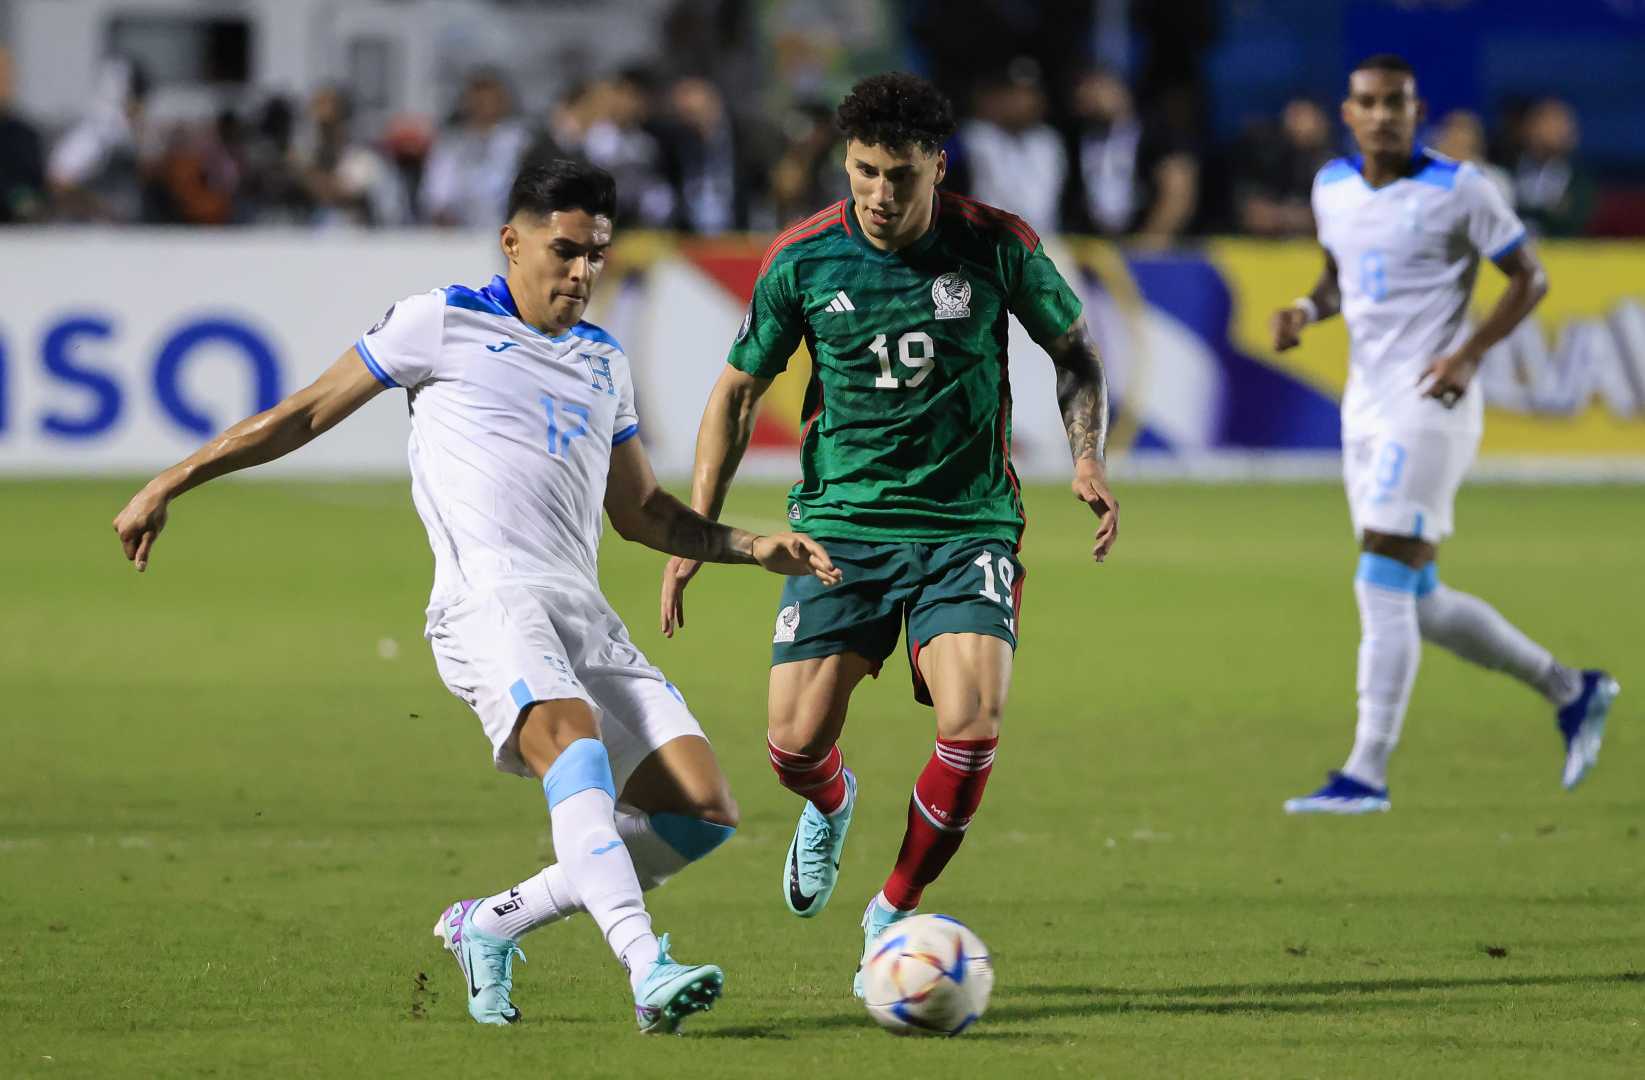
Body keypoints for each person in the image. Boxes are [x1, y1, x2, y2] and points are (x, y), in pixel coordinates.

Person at [111, 159, 840, 1031]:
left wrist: (753, 546)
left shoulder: (603, 360)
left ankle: (487, 925)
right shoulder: (440, 322)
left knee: (701, 812)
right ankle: (648, 968)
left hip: (581, 611)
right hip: (488, 603)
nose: (580, 273)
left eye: (596, 256)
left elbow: (643, 513)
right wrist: (172, 479)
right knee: (575, 753)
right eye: (565, 251)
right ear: (513, 241)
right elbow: (305, 413)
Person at [658, 72, 1118, 995]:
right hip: (841, 530)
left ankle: (892, 907)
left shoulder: (997, 246)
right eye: (863, 171)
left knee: (972, 720)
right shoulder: (802, 258)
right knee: (789, 747)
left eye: (898, 175)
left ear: (936, 168)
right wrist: (695, 530)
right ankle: (830, 801)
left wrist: (1086, 459)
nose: (877, 193)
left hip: (966, 526)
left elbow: (1074, 357)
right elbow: (737, 392)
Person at [1270, 55, 1618, 815]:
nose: (1384, 114)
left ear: (1415, 109)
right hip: (1362, 409)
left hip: (1431, 404)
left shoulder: (1461, 189)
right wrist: (1303, 308)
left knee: (1379, 579)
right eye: (1369, 102)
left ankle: (1364, 773)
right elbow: (1339, 278)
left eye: (1397, 102)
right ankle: (1571, 689)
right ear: (1348, 112)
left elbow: (1530, 277)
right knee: (1415, 598)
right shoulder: (1331, 188)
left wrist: (1467, 353)